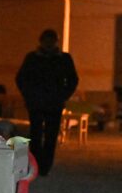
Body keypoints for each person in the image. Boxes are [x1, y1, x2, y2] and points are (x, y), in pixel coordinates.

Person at [16, 29, 79, 176]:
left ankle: (44, 167)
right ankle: (37, 165)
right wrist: (29, 95)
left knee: (50, 136)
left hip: (52, 103)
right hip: (38, 103)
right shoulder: (33, 58)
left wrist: (62, 96)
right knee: (36, 135)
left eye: (52, 41)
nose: (49, 44)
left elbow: (73, 80)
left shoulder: (63, 59)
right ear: (41, 41)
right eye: (47, 40)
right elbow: (21, 79)